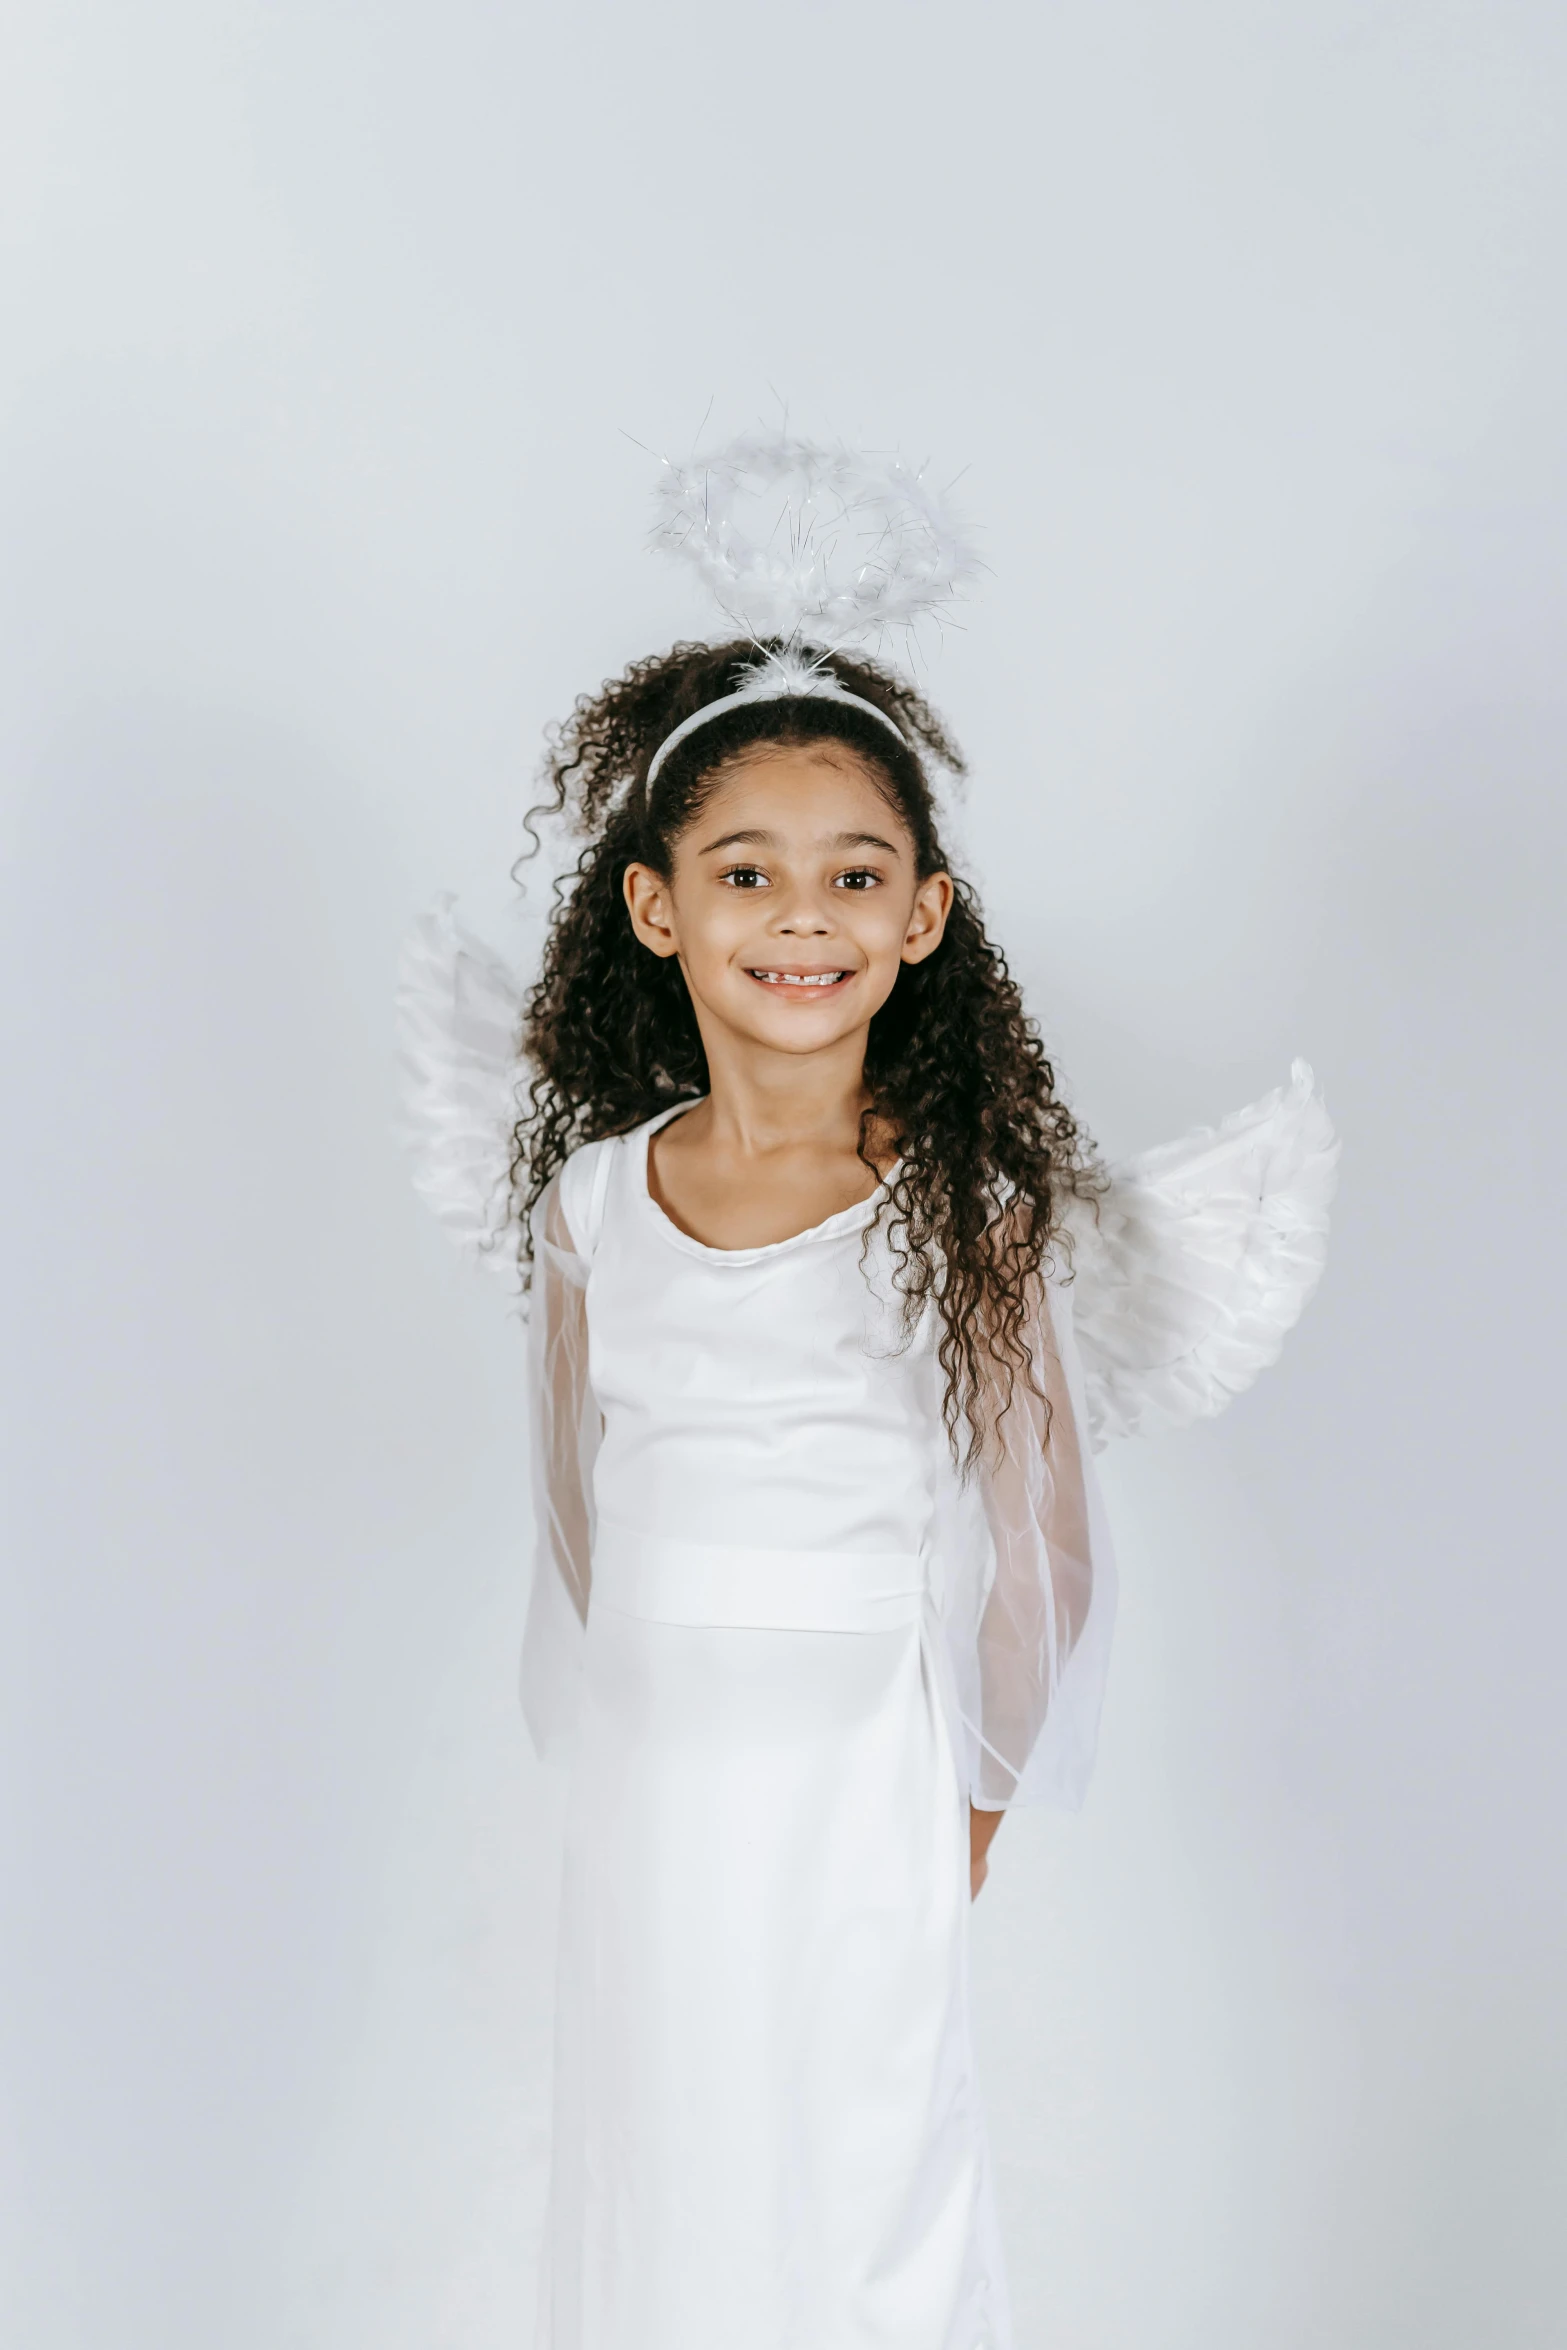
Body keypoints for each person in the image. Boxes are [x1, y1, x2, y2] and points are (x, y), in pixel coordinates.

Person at [397, 438, 1338, 2350]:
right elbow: (575, 1493)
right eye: (745, 872)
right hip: (658, 1753)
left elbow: (1040, 1537)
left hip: (854, 1755)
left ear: (921, 918)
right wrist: (623, 1708)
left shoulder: (959, 1213)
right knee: (661, 2152)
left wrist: (967, 1793)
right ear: (657, 909)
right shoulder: (595, 1199)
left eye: (854, 875)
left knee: (852, 2162)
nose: (799, 915)